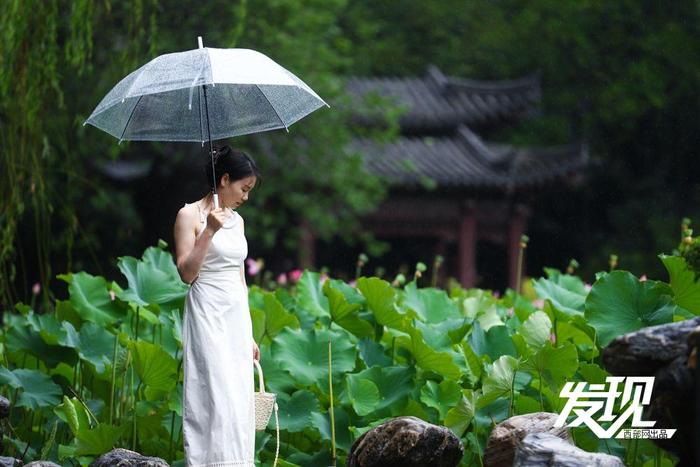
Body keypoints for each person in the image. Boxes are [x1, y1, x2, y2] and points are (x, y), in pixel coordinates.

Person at [173, 145, 262, 467]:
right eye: (244, 188)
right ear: (224, 179)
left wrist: (249, 333)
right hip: (207, 309)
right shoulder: (188, 215)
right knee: (214, 392)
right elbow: (186, 273)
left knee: (238, 396)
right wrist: (209, 230)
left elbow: (241, 280)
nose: (245, 197)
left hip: (235, 313)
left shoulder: (237, 222)